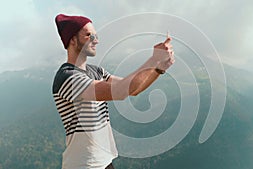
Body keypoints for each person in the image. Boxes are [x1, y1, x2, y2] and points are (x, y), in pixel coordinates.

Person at [52, 14, 175, 169]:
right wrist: (153, 59)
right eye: (89, 35)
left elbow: (133, 89)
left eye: (95, 35)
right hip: (83, 165)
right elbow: (121, 91)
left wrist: (159, 68)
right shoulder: (68, 77)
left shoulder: (96, 71)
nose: (96, 40)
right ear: (72, 40)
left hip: (104, 162)